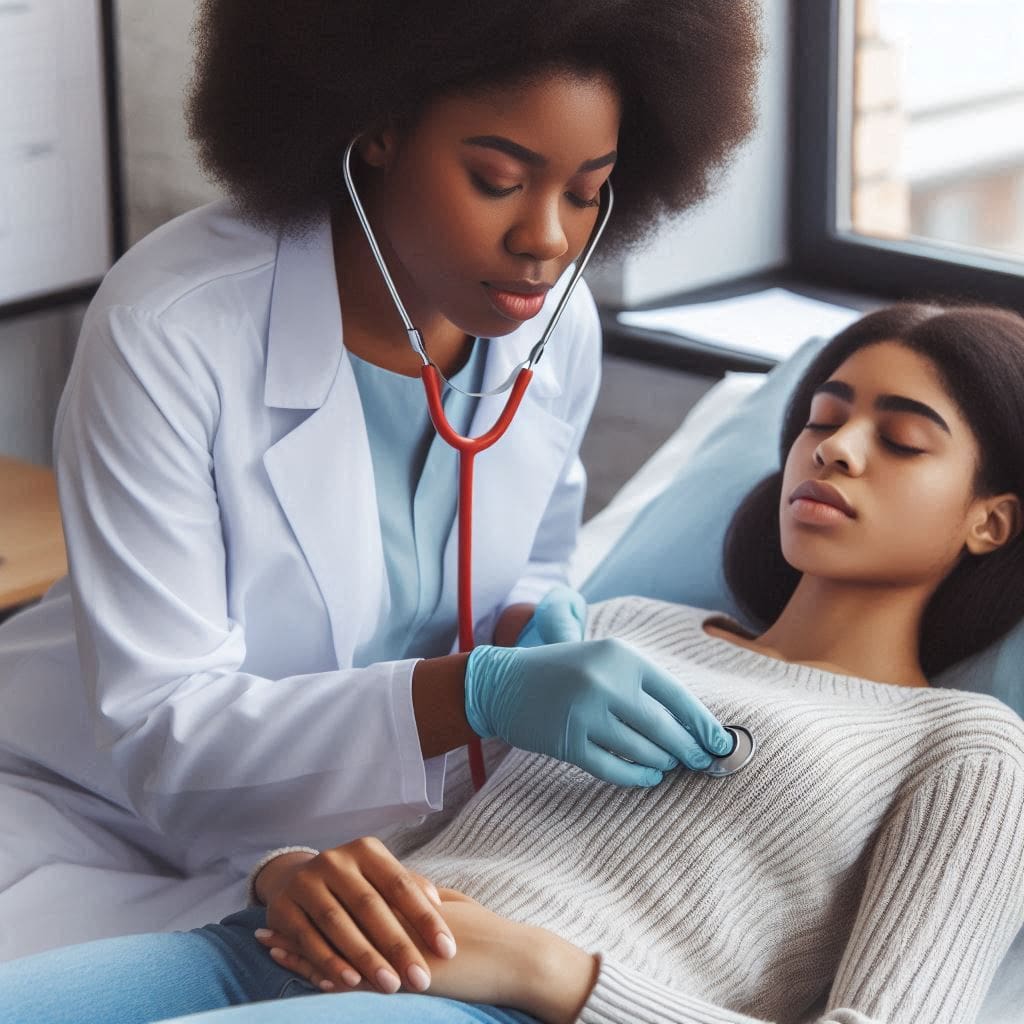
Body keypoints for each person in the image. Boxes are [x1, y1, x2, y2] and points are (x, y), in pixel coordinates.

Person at [3, 301, 1024, 1024]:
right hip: (284, 943)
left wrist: (549, 971)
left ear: (991, 519)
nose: (835, 449)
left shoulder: (966, 747)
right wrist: (290, 869)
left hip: (494, 1005)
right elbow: (409, 819)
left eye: (900, 440)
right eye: (823, 416)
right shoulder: (621, 628)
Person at [0, 0, 763, 961]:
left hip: (347, 852)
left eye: (586, 191)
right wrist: (478, 693)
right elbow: (166, 729)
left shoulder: (552, 328)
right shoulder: (176, 326)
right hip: (82, 824)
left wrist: (531, 628)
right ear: (379, 129)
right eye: (497, 180)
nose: (547, 238)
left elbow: (530, 559)